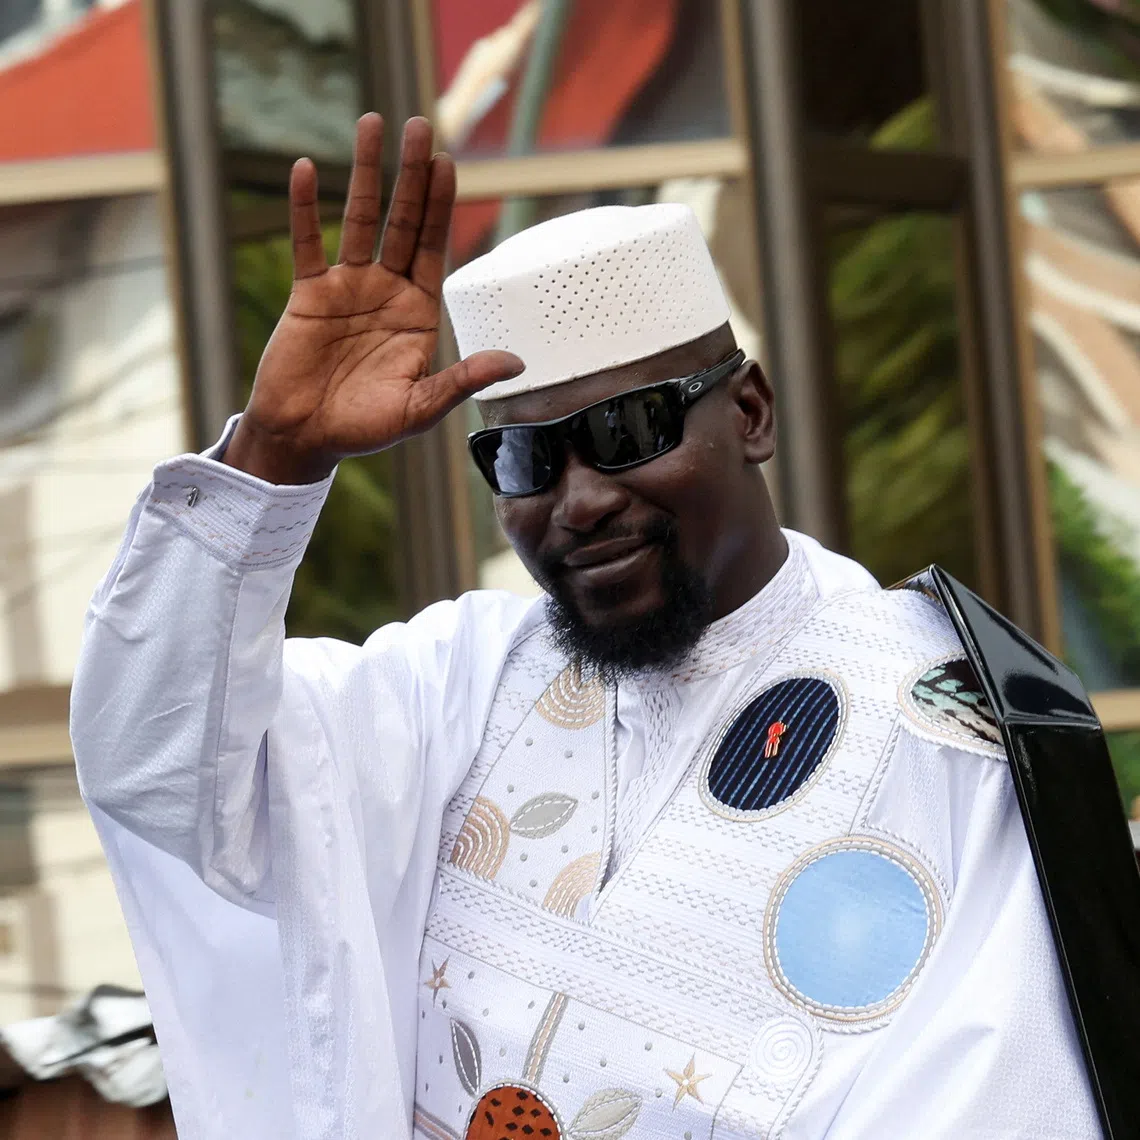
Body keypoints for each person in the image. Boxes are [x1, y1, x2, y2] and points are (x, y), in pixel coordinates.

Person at [71, 114, 1102, 1139]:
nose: (580, 501)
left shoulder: (941, 727)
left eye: (626, 432)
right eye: (526, 459)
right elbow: (159, 771)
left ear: (750, 413)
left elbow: (1000, 1100)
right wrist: (273, 456)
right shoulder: (459, 686)